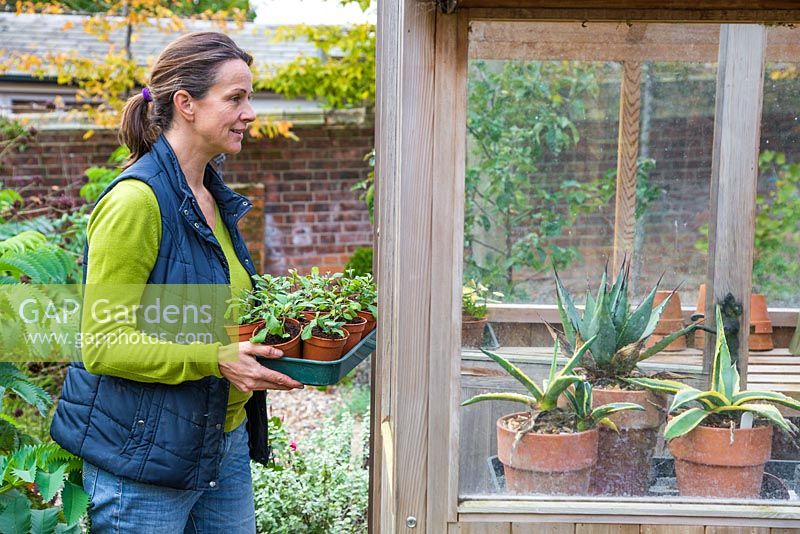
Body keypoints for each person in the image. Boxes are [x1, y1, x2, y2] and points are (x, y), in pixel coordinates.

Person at [50, 32, 303, 533]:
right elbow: (103, 344)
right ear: (186, 104)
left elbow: (211, 307)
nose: (250, 112)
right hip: (144, 461)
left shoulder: (209, 194)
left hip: (220, 443)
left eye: (248, 97)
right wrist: (216, 356)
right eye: (236, 98)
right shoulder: (137, 202)